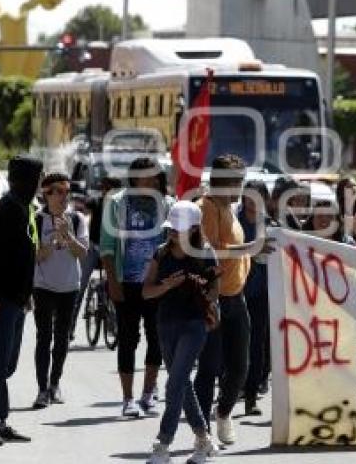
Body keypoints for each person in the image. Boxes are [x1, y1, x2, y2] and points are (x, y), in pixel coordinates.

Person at [194, 154, 266, 446]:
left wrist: (252, 254)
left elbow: (236, 249)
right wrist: (249, 248)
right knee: (210, 367)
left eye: (241, 181)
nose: (240, 187)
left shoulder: (230, 209)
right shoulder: (206, 208)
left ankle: (222, 414)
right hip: (213, 298)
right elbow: (210, 251)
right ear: (220, 183)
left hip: (236, 298)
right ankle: (202, 432)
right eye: (236, 182)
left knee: (240, 366)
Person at [143, 201, 220, 464]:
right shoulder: (160, 254)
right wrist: (167, 286)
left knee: (174, 383)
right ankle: (204, 439)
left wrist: (201, 287)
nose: (174, 233)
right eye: (172, 228)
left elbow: (215, 293)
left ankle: (163, 444)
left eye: (179, 228)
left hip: (195, 324)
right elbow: (146, 291)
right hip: (166, 323)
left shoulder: (207, 254)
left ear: (195, 228)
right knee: (182, 384)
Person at [0, 155, 44, 445]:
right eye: (38, 177)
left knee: (7, 365)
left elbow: (21, 260)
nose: (41, 183)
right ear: (28, 179)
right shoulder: (7, 211)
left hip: (15, 301)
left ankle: (0, 420)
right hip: (0, 301)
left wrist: (25, 296)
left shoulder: (22, 208)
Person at [100, 158, 172, 417]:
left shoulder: (167, 204)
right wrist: (112, 282)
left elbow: (173, 244)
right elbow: (107, 248)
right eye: (145, 177)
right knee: (128, 340)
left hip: (156, 285)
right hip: (126, 283)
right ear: (134, 178)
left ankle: (148, 394)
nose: (151, 182)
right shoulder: (117, 202)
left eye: (155, 177)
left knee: (157, 340)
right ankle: (128, 398)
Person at [32, 173, 89, 409]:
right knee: (43, 336)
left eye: (67, 191)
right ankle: (42, 389)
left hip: (69, 286)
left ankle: (55, 383)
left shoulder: (76, 219)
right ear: (46, 194)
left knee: (62, 337)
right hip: (43, 286)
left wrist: (68, 235)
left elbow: (82, 254)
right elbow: (37, 256)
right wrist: (53, 238)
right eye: (58, 191)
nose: (64, 195)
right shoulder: (36, 220)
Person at [238, 180, 276, 416]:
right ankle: (230, 388)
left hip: (261, 293)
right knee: (233, 345)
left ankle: (251, 397)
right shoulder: (233, 223)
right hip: (235, 290)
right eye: (249, 197)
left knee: (257, 345)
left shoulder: (272, 227)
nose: (253, 202)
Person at [71, 176, 121, 338]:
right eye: (106, 189)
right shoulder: (97, 202)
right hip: (93, 248)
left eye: (112, 190)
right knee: (80, 285)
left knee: (114, 285)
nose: (108, 193)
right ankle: (69, 328)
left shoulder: (121, 206)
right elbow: (86, 203)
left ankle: (113, 325)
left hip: (113, 251)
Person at [336, 176, 356, 246]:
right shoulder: (335, 213)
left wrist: (355, 230)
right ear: (341, 191)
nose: (353, 188)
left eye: (355, 185)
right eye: (349, 186)